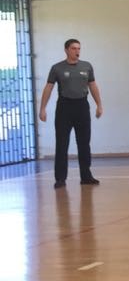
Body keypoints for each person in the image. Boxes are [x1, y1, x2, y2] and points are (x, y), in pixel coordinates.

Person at [39, 39, 103, 189]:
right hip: (64, 108)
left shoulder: (86, 66)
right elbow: (48, 88)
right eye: (74, 48)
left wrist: (99, 105)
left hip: (82, 106)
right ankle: (60, 178)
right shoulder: (57, 68)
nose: (77, 51)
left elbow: (93, 85)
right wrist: (43, 108)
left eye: (79, 48)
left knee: (84, 143)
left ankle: (86, 176)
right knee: (62, 143)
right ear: (66, 50)